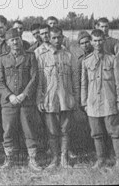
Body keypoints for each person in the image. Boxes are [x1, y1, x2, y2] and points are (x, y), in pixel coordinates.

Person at [0, 29, 42, 171]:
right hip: (9, 102)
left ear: (21, 40)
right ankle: (9, 160)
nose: (15, 42)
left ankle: (32, 160)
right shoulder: (2, 58)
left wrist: (24, 95)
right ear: (7, 43)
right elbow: (0, 81)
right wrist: (10, 96)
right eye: (12, 40)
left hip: (26, 101)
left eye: (17, 39)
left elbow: (34, 78)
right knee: (8, 130)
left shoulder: (30, 56)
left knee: (29, 130)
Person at [81, 29, 119, 168]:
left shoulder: (112, 59)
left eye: (100, 40)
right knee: (96, 133)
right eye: (95, 40)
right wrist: (84, 102)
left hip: (109, 101)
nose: (98, 43)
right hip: (93, 102)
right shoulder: (86, 61)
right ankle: (101, 159)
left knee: (115, 131)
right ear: (91, 42)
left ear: (104, 41)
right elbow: (84, 83)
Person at [36, 27, 80, 169]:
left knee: (65, 130)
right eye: (53, 37)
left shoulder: (68, 55)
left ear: (62, 38)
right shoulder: (41, 55)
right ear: (48, 37)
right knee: (52, 131)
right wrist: (39, 99)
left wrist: (76, 97)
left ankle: (64, 159)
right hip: (50, 99)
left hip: (66, 99)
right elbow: (39, 80)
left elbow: (75, 78)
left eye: (59, 37)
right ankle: (55, 159)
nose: (56, 40)